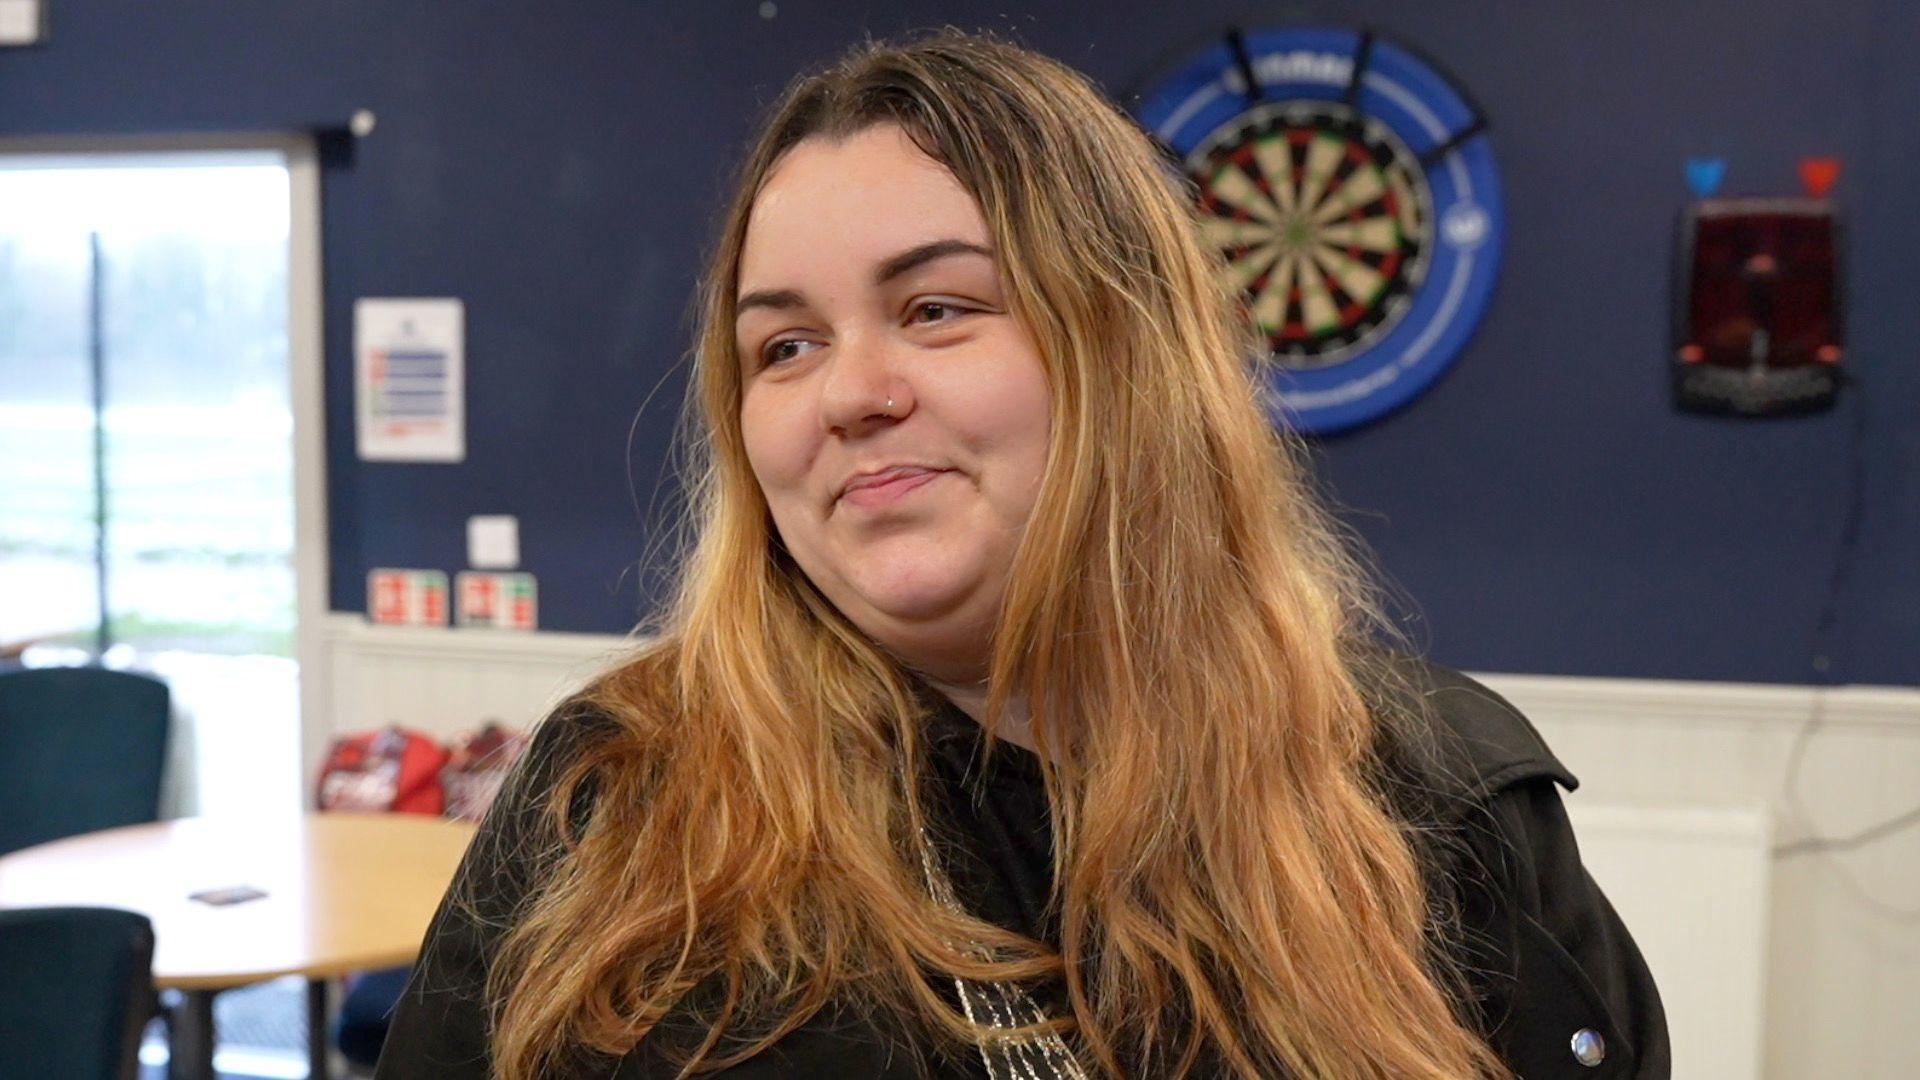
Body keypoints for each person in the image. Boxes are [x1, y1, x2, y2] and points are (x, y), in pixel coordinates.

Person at [376, 31, 1668, 1080]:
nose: (849, 392)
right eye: (784, 344)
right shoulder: (622, 797)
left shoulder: (1437, 799)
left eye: (936, 309)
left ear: (1130, 355)